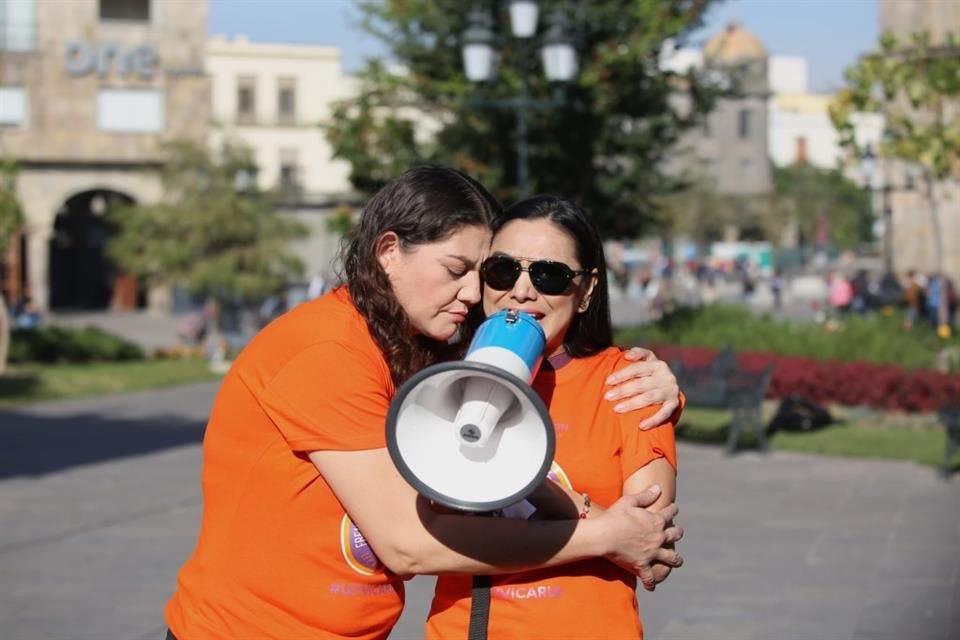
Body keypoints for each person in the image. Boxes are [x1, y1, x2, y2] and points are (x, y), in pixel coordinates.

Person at [164, 167, 683, 640]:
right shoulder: (328, 349)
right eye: (465, 269)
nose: (472, 292)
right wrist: (603, 534)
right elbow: (406, 544)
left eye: (481, 274)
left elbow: (648, 532)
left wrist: (663, 386)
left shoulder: (417, 352)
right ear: (389, 252)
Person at [426, 195, 679, 640]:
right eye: (502, 270)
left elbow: (653, 555)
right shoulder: (435, 383)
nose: (522, 290)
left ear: (587, 290)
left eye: (550, 275)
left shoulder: (629, 384)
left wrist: (530, 478)